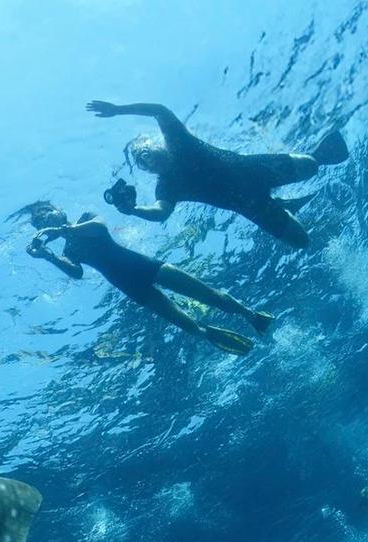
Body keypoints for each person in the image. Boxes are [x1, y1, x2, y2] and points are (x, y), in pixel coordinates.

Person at [86, 100, 349, 248]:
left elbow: (160, 111)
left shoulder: (178, 142)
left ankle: (296, 186)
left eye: (146, 152)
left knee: (311, 165)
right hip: (249, 205)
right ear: (147, 170)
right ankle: (282, 206)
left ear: (155, 145)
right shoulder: (166, 186)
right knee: (302, 242)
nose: (147, 160)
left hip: (255, 170)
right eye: (142, 162)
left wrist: (118, 110)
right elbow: (161, 212)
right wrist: (133, 210)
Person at [26, 202, 271, 356]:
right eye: (38, 222)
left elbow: (99, 228)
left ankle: (252, 316)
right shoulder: (68, 251)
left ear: (60, 210)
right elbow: (76, 273)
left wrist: (64, 230)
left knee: (211, 296)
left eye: (46, 213)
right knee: (189, 327)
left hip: (146, 266)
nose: (43, 220)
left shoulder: (85, 217)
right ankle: (212, 335)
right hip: (130, 287)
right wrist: (48, 255)